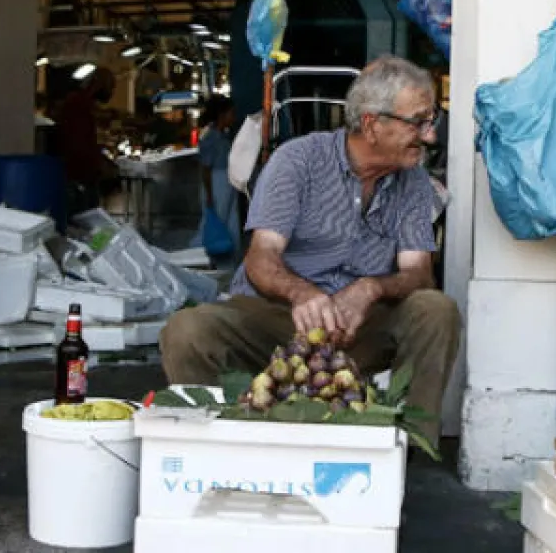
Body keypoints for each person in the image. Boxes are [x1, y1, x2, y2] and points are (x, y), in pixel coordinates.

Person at [159, 56, 461, 443]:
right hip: (278, 317)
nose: (430, 135)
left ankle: (407, 449)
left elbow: (418, 273)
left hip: (361, 327)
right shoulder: (298, 160)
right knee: (186, 330)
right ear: (372, 124)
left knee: (436, 310)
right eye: (418, 122)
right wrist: (301, 293)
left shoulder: (413, 181)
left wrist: (371, 288)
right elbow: (261, 257)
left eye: (430, 120)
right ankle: (215, 446)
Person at [52, 66, 117, 214]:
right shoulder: (78, 105)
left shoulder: (81, 104)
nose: (112, 92)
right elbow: (78, 144)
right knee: (85, 221)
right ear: (99, 84)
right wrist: (98, 163)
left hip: (80, 175)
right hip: (78, 178)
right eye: (111, 87)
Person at [194, 94, 241, 266]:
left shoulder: (223, 136)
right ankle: (198, 257)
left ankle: (228, 263)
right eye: (231, 113)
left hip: (227, 182)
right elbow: (205, 168)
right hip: (216, 182)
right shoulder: (210, 137)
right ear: (222, 115)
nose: (233, 117)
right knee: (214, 222)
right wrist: (209, 194)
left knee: (230, 223)